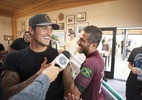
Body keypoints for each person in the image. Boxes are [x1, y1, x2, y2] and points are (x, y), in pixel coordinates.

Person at [2, 14, 65, 100]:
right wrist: (39, 75)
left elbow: (68, 91)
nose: (49, 33)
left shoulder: (59, 55)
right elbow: (8, 95)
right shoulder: (14, 57)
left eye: (51, 29)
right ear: (31, 30)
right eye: (44, 28)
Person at [63, 25, 105, 100]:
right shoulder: (97, 57)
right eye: (79, 38)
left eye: (82, 40)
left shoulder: (91, 63)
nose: (77, 41)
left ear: (94, 45)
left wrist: (65, 63)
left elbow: (72, 94)